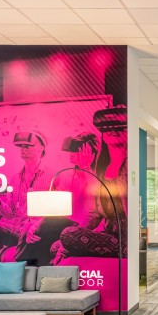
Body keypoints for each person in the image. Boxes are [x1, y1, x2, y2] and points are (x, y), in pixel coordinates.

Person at [58, 106, 127, 260]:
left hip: (126, 238)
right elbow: (94, 213)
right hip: (109, 234)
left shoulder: (129, 166)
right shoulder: (103, 169)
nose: (112, 130)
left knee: (67, 235)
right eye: (106, 127)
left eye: (119, 126)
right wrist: (75, 234)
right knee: (59, 243)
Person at [0, 131, 51, 263]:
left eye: (28, 146)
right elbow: (10, 214)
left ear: (41, 148)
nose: (23, 149)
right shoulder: (15, 179)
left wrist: (36, 224)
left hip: (38, 231)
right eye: (21, 146)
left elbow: (58, 213)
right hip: (19, 230)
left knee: (27, 228)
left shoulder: (52, 176)